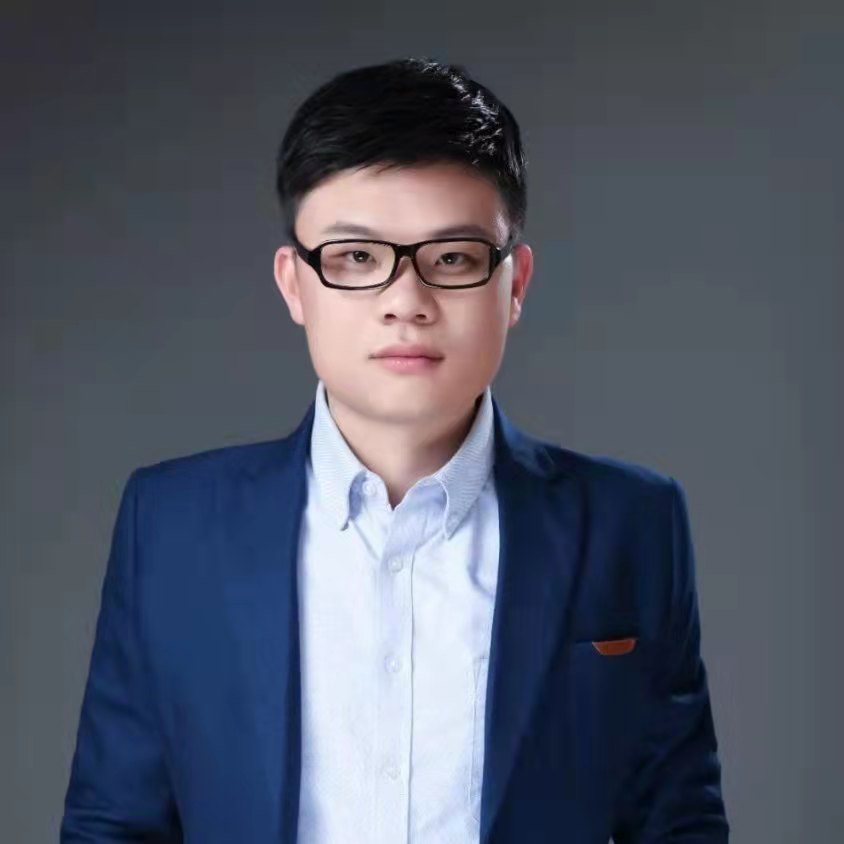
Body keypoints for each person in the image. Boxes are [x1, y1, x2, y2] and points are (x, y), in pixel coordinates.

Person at [61, 57, 729, 843]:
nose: (405, 303)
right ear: (294, 283)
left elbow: (678, 823)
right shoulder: (171, 526)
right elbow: (114, 825)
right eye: (356, 258)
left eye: (453, 258)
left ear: (514, 283)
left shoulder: (630, 523)